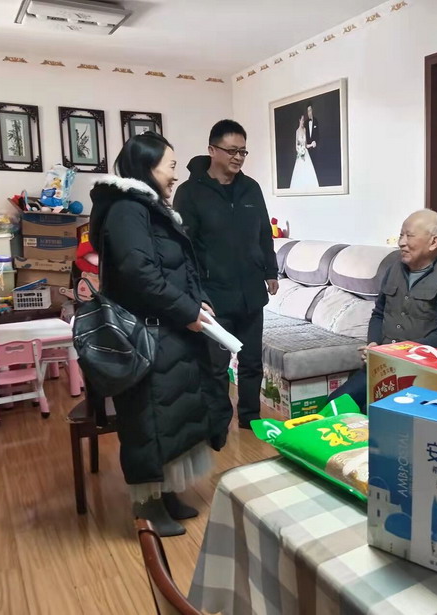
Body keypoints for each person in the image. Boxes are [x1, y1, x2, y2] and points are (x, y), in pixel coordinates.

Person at [89, 132, 231, 537]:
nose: (175, 173)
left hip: (169, 330)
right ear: (146, 167)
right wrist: (186, 311)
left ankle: (165, 493)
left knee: (172, 417)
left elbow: (181, 267)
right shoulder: (126, 210)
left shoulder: (150, 208)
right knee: (148, 421)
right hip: (147, 335)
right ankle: (147, 506)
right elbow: (140, 275)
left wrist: (199, 303)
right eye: (170, 165)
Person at [174, 120, 278, 428]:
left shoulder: (251, 188)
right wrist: (194, 292)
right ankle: (217, 423)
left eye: (243, 151)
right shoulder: (190, 193)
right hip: (214, 295)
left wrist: (271, 271)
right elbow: (184, 246)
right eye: (231, 150)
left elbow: (264, 233)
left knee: (252, 362)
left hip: (251, 293)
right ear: (212, 150)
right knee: (215, 366)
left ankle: (250, 419)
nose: (238, 157)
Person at [327, 210, 437, 412]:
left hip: (422, 372)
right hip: (383, 365)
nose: (401, 242)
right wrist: (374, 344)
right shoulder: (395, 268)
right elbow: (379, 313)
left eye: (409, 236)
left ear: (433, 242)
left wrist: (395, 353)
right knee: (335, 405)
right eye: (401, 235)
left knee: (377, 415)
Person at [290, 114, 319, 189]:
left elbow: (305, 145)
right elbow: (296, 146)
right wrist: (300, 152)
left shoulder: (305, 130)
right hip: (300, 155)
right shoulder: (297, 131)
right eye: (302, 120)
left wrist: (311, 144)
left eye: (303, 120)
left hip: (306, 154)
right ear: (299, 120)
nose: (303, 121)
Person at [304, 102, 320, 175]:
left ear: (312, 110)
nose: (309, 113)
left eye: (310, 110)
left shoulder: (316, 121)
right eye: (308, 111)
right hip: (307, 150)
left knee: (315, 169)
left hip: (315, 150)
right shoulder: (305, 123)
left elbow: (318, 135)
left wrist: (316, 142)